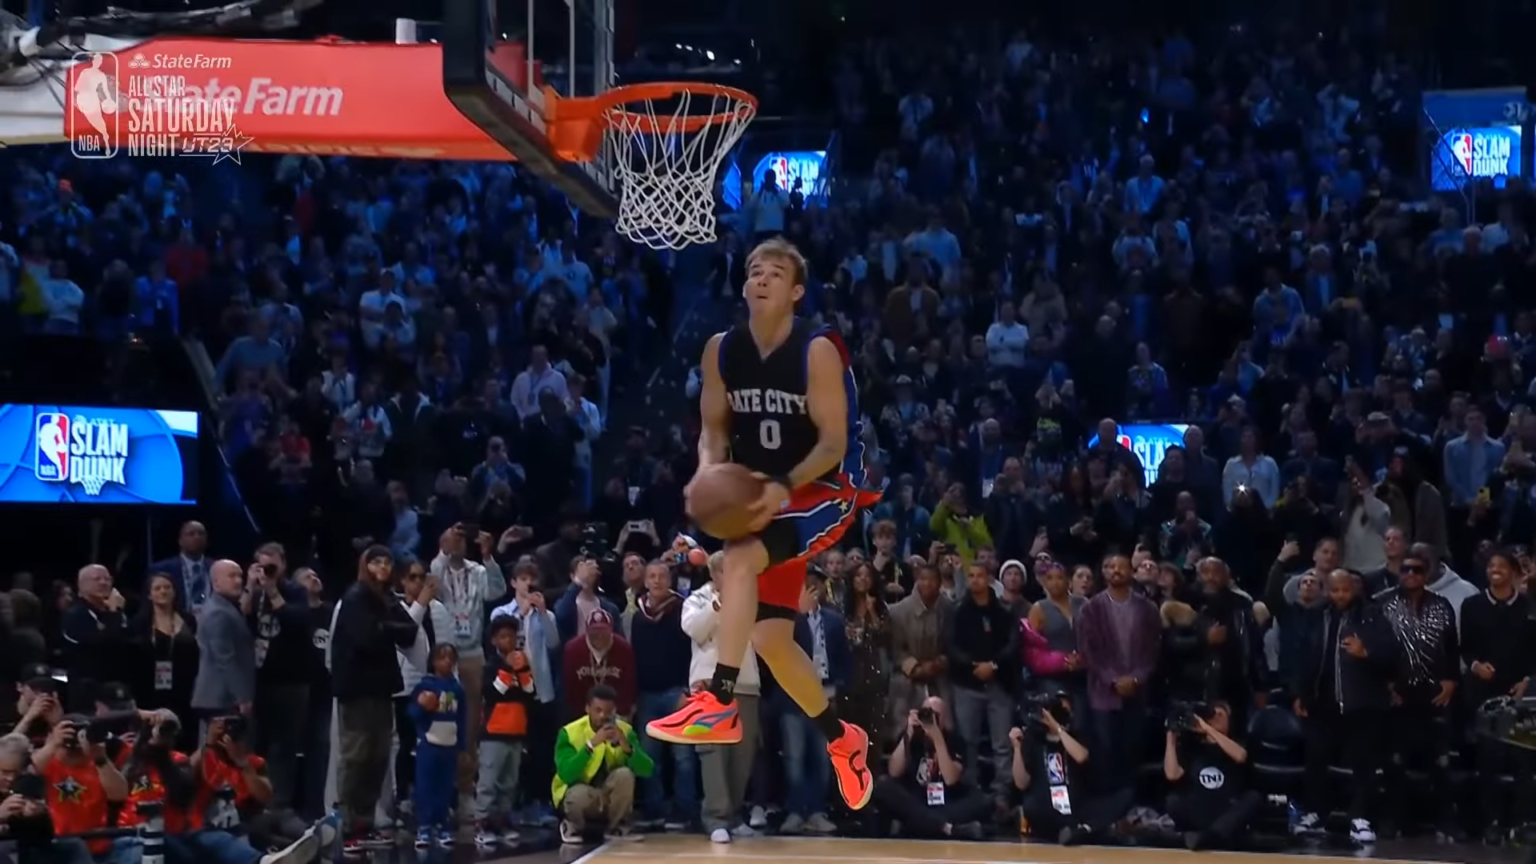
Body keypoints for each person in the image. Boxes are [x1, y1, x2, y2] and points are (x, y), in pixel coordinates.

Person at [646, 238, 880, 812]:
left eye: (774, 272)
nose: (760, 279)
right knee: (771, 638)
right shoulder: (720, 351)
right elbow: (714, 431)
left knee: (742, 556)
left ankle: (719, 700)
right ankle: (843, 741)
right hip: (762, 492)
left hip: (825, 486)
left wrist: (781, 486)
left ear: (796, 291)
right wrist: (707, 472)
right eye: (753, 271)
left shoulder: (818, 349)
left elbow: (831, 442)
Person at [871, 696, 986, 839]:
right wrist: (908, 733)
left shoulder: (955, 740)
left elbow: (950, 778)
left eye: (935, 715)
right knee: (883, 785)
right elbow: (894, 771)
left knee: (982, 801)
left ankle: (918, 824)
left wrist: (937, 738)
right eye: (926, 713)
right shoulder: (912, 736)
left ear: (944, 718)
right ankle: (947, 828)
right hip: (915, 799)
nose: (930, 719)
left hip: (945, 802)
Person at [553, 684, 653, 845]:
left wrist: (626, 747)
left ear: (614, 711)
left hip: (609, 797)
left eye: (608, 711)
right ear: (587, 708)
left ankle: (617, 828)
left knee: (625, 775)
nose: (603, 716)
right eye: (598, 710)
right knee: (577, 793)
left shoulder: (625, 731)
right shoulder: (569, 732)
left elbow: (647, 770)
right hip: (582, 795)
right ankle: (572, 826)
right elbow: (566, 774)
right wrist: (590, 745)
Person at [1163, 702, 1262, 850]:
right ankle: (1209, 836)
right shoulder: (1192, 747)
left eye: (1221, 715)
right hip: (1199, 807)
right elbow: (1172, 775)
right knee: (1172, 801)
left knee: (1254, 797)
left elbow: (1241, 756)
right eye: (1212, 715)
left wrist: (1207, 729)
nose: (1216, 718)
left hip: (1225, 809)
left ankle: (1211, 835)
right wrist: (1171, 738)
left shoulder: (1236, 744)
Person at [408, 644, 466, 849]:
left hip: (449, 746)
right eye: (442, 658)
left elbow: (462, 718)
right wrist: (422, 706)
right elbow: (412, 714)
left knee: (445, 787)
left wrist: (463, 745)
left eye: (451, 658)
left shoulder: (457, 689)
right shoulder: (425, 686)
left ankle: (442, 824)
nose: (447, 662)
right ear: (433, 662)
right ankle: (424, 826)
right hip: (428, 746)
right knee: (425, 787)